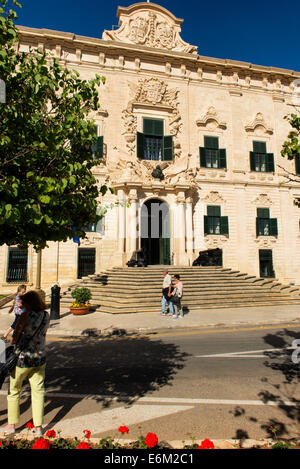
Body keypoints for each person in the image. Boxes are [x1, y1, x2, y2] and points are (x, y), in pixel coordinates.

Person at [0, 290, 50, 436]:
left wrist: (12, 340)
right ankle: (39, 427)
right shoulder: (46, 316)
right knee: (38, 391)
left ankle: (11, 425)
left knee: (14, 391)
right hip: (40, 357)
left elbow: (16, 337)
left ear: (29, 303)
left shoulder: (25, 316)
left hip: (23, 359)